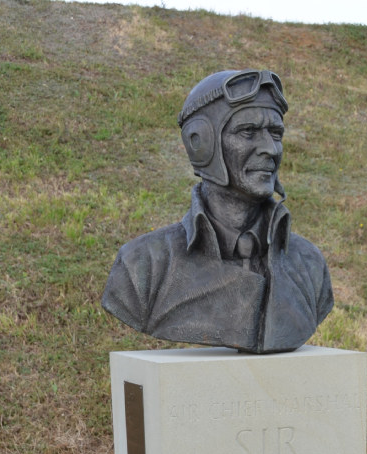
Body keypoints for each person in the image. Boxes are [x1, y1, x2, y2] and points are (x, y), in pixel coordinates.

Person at [101, 69, 333, 354]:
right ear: (201, 144)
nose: (270, 149)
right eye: (248, 132)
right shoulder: (143, 267)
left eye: (275, 133)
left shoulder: (309, 264)